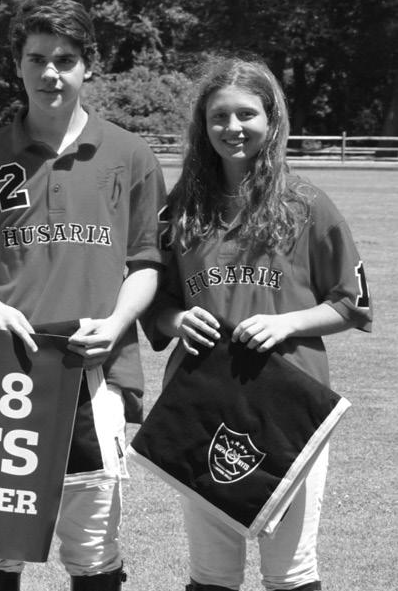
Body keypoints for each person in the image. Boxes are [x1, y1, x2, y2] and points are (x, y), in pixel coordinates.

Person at [0, 0, 167, 590]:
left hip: (95, 374)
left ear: (88, 65)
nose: (51, 73)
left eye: (65, 60)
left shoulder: (132, 155)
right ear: (16, 65)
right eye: (37, 59)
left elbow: (147, 263)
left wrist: (116, 325)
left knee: (92, 548)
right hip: (0, 374)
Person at [145, 57, 372, 591]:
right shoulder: (182, 208)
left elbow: (351, 302)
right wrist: (178, 319)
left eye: (247, 114)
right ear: (203, 126)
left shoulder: (307, 204)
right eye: (219, 116)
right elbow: (155, 302)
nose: (233, 127)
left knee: (290, 572)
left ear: (271, 120)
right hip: (202, 398)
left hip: (290, 400)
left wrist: (287, 322)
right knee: (212, 573)